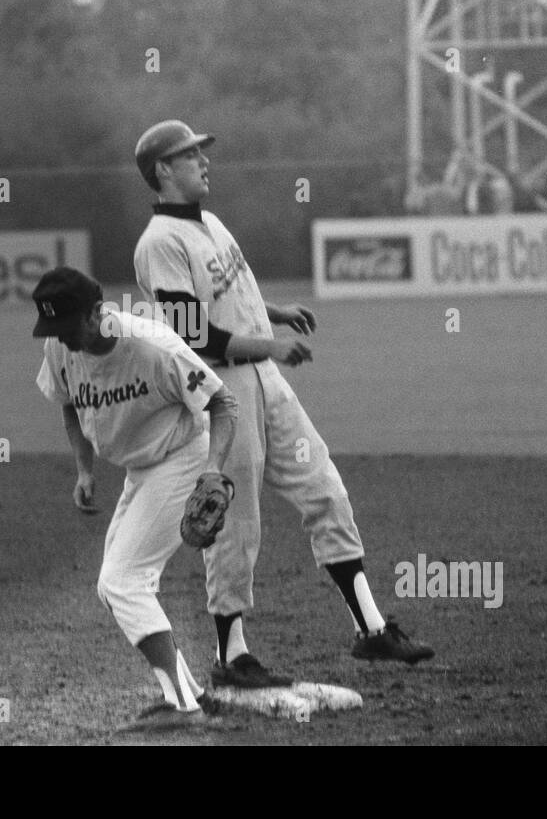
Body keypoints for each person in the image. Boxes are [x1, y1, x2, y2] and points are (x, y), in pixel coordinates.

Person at [130, 119, 435, 690]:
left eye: (201, 152)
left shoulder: (210, 223)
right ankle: (231, 655)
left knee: (326, 490)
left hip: (265, 380)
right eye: (190, 155)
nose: (204, 161)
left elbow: (230, 296)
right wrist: (271, 345)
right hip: (222, 395)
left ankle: (371, 628)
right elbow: (194, 336)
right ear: (163, 170)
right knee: (234, 522)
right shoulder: (159, 244)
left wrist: (273, 311)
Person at [31, 265, 240, 728]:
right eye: (53, 330)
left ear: (95, 312)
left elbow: (223, 404)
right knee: (116, 589)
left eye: (67, 327)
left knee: (123, 581)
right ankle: (191, 694)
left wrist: (212, 474)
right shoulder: (60, 346)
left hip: (183, 457)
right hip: (140, 468)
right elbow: (68, 401)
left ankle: (182, 706)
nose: (61, 340)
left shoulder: (151, 346)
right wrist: (84, 468)